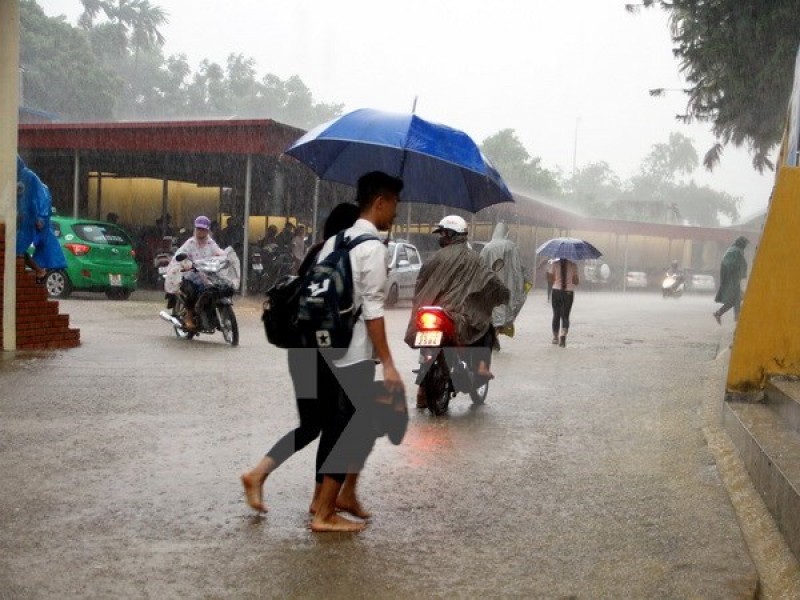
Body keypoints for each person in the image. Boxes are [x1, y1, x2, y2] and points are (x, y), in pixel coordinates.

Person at [240, 203, 361, 515]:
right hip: (324, 349)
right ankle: (321, 500)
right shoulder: (342, 257)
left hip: (300, 348)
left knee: (311, 425)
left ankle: (258, 475)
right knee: (336, 423)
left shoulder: (317, 253)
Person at [310, 171, 404, 532]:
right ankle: (324, 514)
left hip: (326, 343)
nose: (395, 211)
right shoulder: (372, 247)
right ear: (380, 202)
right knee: (347, 428)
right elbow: (374, 310)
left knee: (335, 424)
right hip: (354, 351)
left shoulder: (337, 240)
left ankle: (321, 500)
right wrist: (390, 364)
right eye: (394, 203)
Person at [405, 215, 510, 408]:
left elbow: (420, 287)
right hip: (456, 317)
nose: (440, 237)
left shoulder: (433, 259)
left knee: (425, 339)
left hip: (430, 314)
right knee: (485, 327)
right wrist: (503, 295)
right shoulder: (474, 260)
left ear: (450, 234)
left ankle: (421, 392)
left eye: (442, 233)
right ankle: (481, 367)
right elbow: (491, 282)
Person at [166, 215, 226, 330]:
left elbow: (218, 252)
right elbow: (180, 255)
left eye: (203, 229)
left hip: (207, 274)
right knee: (191, 292)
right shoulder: (190, 243)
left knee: (219, 288)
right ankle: (188, 317)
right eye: (199, 229)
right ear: (195, 229)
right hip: (190, 275)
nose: (201, 232)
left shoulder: (211, 243)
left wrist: (224, 258)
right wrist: (186, 264)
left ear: (208, 230)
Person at [16, 156, 64, 281]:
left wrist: (41, 217)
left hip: (27, 221)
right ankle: (38, 271)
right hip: (20, 220)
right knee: (16, 249)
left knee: (17, 249)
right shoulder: (16, 177)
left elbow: (42, 196)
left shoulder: (29, 177)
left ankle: (38, 270)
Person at [479, 222, 530, 337]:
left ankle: (492, 337)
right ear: (506, 233)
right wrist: (522, 283)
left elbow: (479, 268)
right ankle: (494, 337)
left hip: (490, 288)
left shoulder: (487, 248)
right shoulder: (511, 247)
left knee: (492, 314)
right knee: (503, 313)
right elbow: (518, 268)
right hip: (507, 287)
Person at [713, 236, 749, 324]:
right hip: (732, 278)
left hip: (730, 278)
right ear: (742, 244)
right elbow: (739, 264)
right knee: (737, 298)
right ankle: (737, 318)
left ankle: (720, 313)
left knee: (736, 298)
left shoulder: (731, 249)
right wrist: (740, 275)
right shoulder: (737, 251)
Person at [547, 257, 579, 347]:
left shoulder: (554, 264)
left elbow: (550, 279)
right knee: (565, 315)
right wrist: (573, 280)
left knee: (556, 314)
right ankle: (563, 336)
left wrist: (556, 280)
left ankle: (555, 337)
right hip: (568, 293)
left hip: (556, 291)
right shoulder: (573, 265)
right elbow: (576, 282)